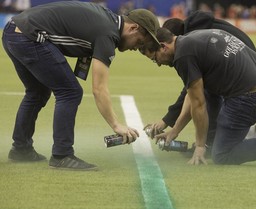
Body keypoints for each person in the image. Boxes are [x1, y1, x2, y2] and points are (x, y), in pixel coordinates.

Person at [2, 1, 160, 170]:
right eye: (140, 42)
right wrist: (116, 125)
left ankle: (21, 149)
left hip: (13, 31)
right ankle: (62, 155)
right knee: (70, 92)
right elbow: (99, 88)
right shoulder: (108, 34)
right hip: (28, 36)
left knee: (37, 92)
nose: (137, 48)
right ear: (133, 28)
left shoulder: (107, 20)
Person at [141, 11, 256, 150]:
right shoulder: (197, 35)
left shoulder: (185, 50)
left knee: (222, 150)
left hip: (249, 85)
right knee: (217, 132)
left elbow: (195, 98)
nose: (159, 64)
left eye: (155, 59)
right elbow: (191, 93)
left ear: (167, 43)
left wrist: (197, 145)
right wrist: (173, 127)